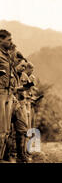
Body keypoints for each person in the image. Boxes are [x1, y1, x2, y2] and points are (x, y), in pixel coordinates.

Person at [0, 30, 15, 162]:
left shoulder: (8, 55)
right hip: (0, 92)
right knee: (0, 128)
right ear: (1, 40)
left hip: (8, 93)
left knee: (6, 130)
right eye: (9, 40)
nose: (11, 42)